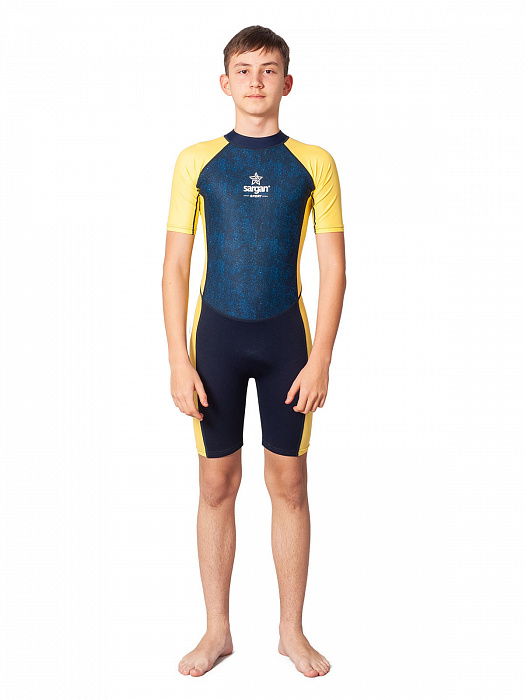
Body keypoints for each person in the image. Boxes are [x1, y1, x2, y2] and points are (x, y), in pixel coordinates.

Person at [162, 25, 345, 678]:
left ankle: (291, 632)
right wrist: (178, 361)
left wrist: (320, 359)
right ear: (224, 82)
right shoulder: (197, 161)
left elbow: (335, 269)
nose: (256, 81)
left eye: (268, 70)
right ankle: (216, 630)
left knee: (289, 482)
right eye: (243, 70)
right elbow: (175, 266)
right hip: (215, 339)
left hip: (284, 341)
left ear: (287, 82)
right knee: (216, 481)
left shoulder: (314, 162)